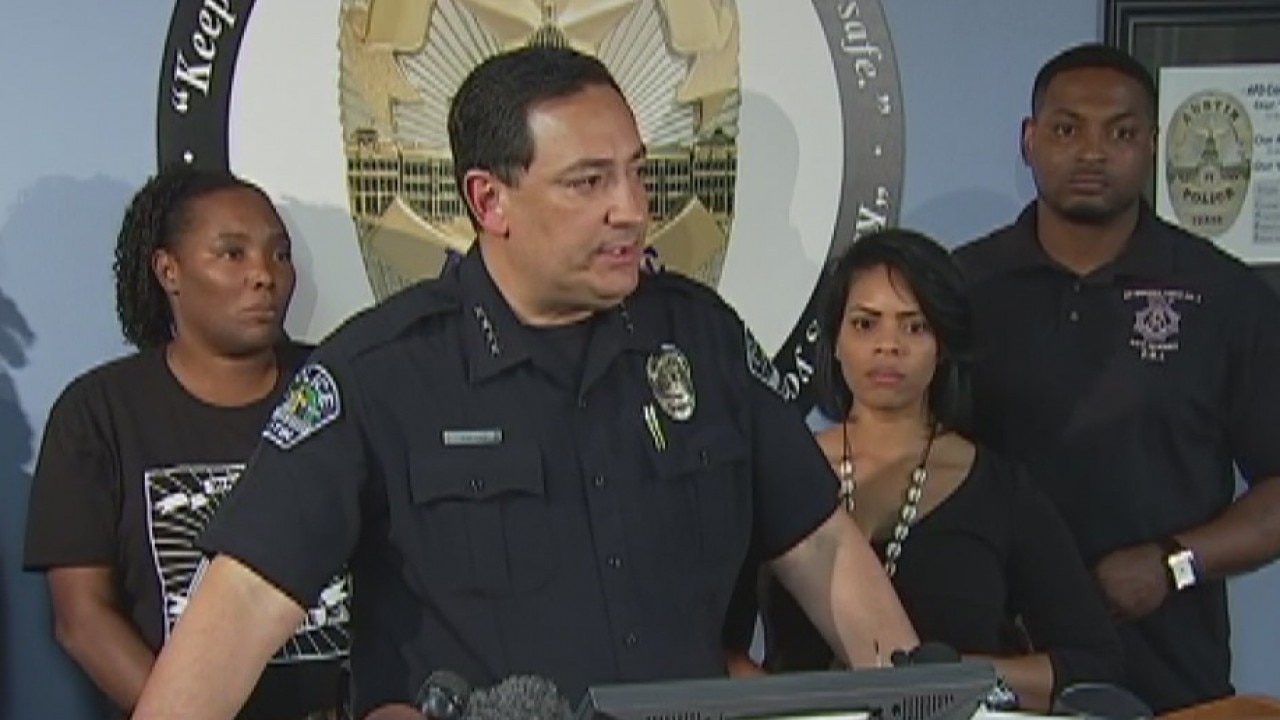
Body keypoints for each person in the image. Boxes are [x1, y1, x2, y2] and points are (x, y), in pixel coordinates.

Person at [130, 46, 919, 720]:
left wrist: (921, 702)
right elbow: (240, 607)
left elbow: (822, 547)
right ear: (490, 200)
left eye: (637, 173)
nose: (631, 210)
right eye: (588, 182)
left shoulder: (702, 339)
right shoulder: (379, 376)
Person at [954, 43, 1280, 714]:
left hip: (1170, 682)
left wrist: (1173, 563)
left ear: (1154, 145)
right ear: (1028, 139)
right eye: (1067, 129)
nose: (1093, 152)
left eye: (1121, 133)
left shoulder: (1224, 297)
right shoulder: (959, 291)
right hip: (996, 675)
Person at [733, 229, 1122, 711]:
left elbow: (1092, 665)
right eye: (865, 324)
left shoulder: (1001, 491)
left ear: (943, 345)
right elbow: (708, 642)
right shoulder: (775, 475)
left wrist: (955, 678)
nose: (888, 346)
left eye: (914, 327)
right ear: (833, 340)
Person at [22, 166, 350, 718]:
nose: (264, 275)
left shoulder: (341, 388)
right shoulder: (97, 414)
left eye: (280, 254)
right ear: (168, 271)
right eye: (232, 254)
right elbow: (82, 619)